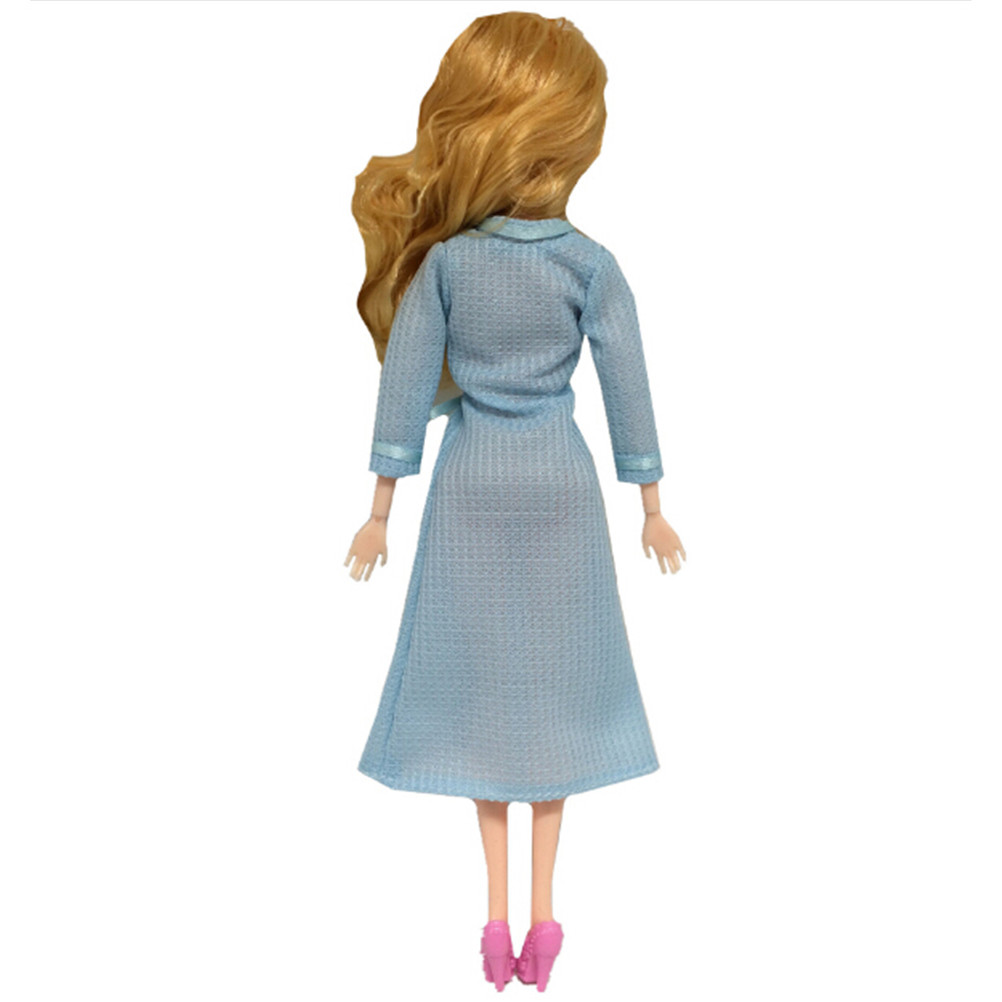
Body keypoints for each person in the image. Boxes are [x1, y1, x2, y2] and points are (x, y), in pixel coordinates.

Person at [344, 12, 686, 992]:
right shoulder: (589, 265)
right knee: (555, 700)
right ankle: (542, 913)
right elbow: (628, 386)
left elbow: (406, 385)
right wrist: (649, 498)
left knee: (488, 697)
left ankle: (496, 917)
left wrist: (381, 504)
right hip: (559, 484)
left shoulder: (448, 265)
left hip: (471, 485)